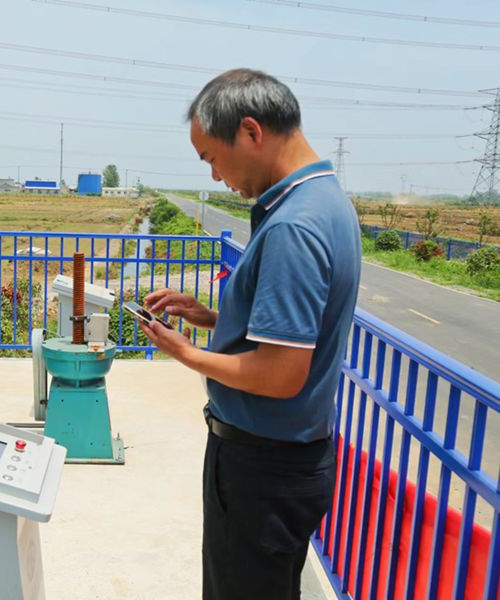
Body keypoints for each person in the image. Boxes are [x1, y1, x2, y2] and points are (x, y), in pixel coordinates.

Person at [139, 69, 361, 599]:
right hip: (285, 460)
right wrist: (213, 319)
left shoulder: (292, 226)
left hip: (261, 469)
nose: (217, 177)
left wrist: (186, 353)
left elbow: (281, 374)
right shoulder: (325, 201)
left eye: (211, 158)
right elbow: (295, 330)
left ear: (251, 132)